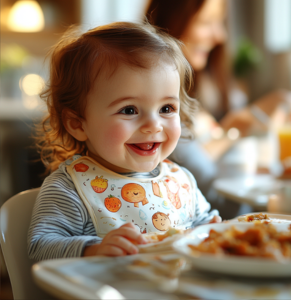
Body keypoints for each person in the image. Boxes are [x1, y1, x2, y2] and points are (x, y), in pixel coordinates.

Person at [27, 22, 221, 261]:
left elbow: (204, 224)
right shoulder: (71, 188)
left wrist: (212, 230)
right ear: (77, 123)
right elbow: (40, 246)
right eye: (129, 110)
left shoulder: (180, 181)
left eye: (166, 108)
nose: (154, 125)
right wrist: (93, 249)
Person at [146, 0, 289, 202]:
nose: (220, 36)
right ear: (171, 19)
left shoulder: (202, 90)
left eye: (220, 22)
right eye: (206, 22)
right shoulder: (155, 106)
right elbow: (199, 175)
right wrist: (232, 131)